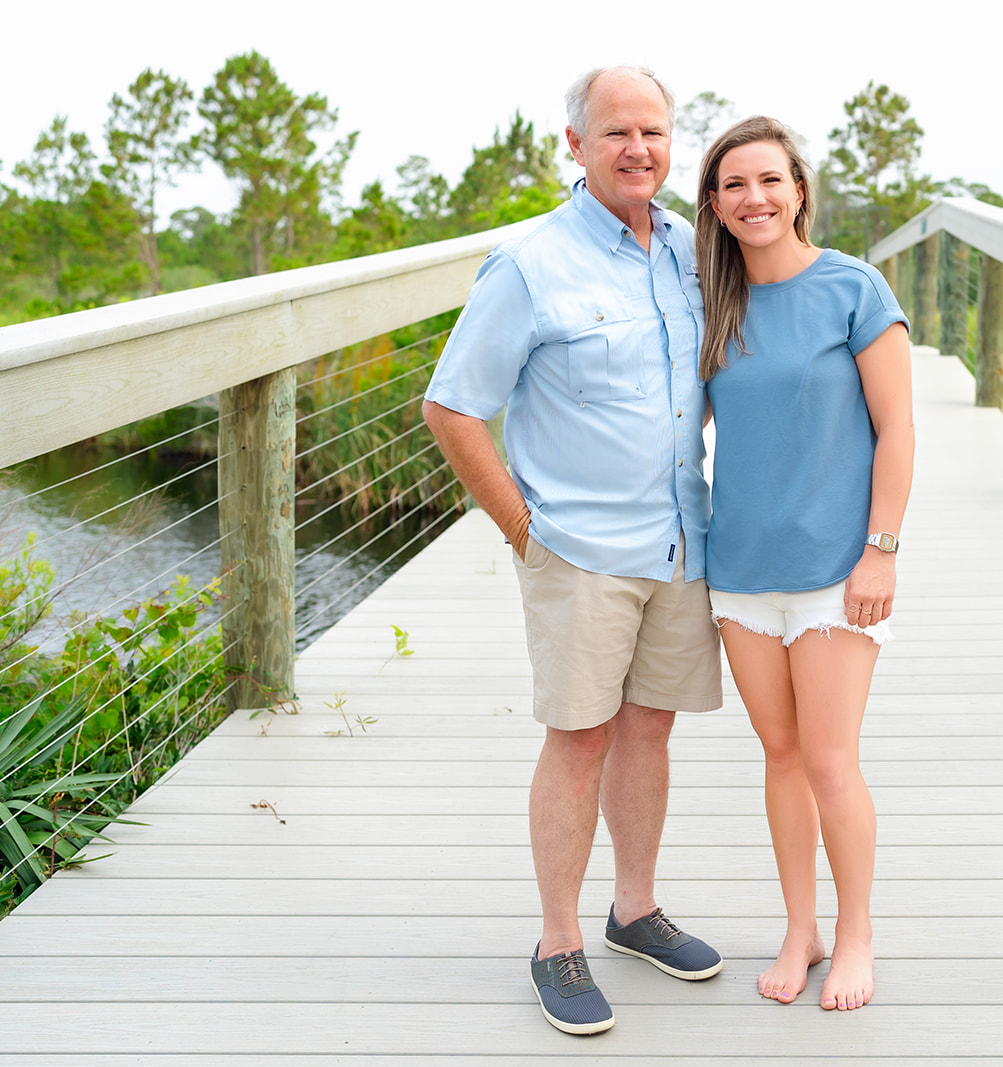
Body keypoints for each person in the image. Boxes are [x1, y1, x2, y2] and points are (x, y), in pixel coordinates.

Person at [421, 66, 723, 1036]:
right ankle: (556, 939)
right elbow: (450, 405)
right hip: (579, 547)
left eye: (655, 131)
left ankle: (633, 907)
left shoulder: (689, 248)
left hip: (680, 535)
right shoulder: (528, 263)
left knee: (649, 727)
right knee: (580, 735)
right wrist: (522, 529)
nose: (638, 148)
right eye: (616, 133)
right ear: (574, 144)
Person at [695, 117, 913, 1011]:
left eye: (770, 181)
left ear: (799, 191)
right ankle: (801, 928)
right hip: (740, 568)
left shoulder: (853, 289)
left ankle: (856, 933)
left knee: (829, 758)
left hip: (836, 568)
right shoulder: (712, 302)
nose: (755, 199)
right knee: (779, 754)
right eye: (734, 185)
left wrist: (880, 551)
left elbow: (898, 427)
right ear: (713, 204)